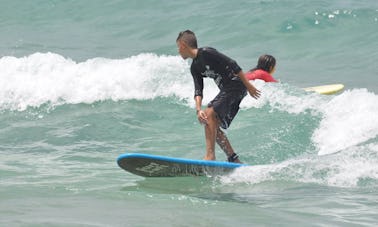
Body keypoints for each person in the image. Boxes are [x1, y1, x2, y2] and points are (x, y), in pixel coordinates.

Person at [176, 30, 260, 163]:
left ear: (183, 44)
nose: (178, 51)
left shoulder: (206, 52)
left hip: (236, 84)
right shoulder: (194, 67)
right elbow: (198, 90)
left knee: (209, 114)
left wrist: (248, 85)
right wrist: (198, 110)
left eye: (178, 47)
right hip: (228, 90)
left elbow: (233, 64)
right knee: (210, 123)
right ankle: (233, 159)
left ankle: (210, 156)